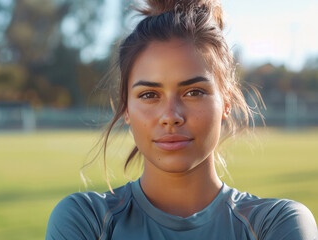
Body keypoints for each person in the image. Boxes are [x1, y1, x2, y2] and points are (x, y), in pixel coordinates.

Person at [45, 0, 318, 239]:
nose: (170, 116)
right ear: (126, 108)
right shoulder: (85, 221)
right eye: (150, 94)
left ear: (227, 102)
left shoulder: (276, 224)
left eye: (193, 92)